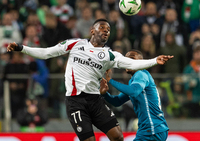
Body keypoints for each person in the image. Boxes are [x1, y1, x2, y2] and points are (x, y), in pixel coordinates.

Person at [7, 19, 173, 141]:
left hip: (95, 99)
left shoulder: (109, 54)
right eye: (102, 28)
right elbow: (46, 53)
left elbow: (131, 63)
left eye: (108, 30)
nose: (106, 31)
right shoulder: (75, 44)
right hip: (75, 101)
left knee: (118, 136)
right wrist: (22, 48)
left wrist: (153, 60)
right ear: (92, 31)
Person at [100, 50, 169, 141]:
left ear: (140, 63)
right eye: (126, 59)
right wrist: (105, 94)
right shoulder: (134, 81)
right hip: (152, 128)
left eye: (132, 59)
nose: (128, 62)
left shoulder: (141, 74)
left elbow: (134, 91)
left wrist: (110, 80)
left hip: (151, 128)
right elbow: (117, 101)